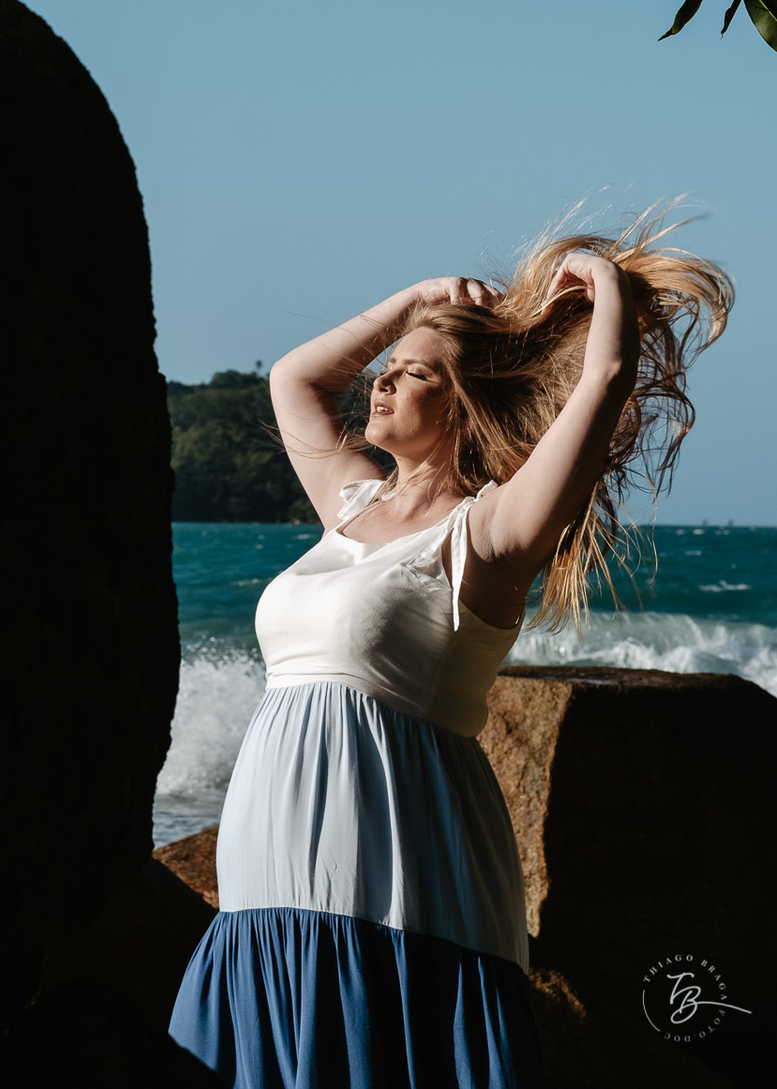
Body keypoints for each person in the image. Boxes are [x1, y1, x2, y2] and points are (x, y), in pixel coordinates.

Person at [167, 212, 732, 1088]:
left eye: (413, 373)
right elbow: (295, 379)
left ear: (462, 406)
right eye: (385, 371)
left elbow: (605, 380)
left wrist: (605, 284)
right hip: (264, 895)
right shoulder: (350, 506)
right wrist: (413, 305)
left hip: (395, 889)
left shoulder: (490, 533)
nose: (381, 385)